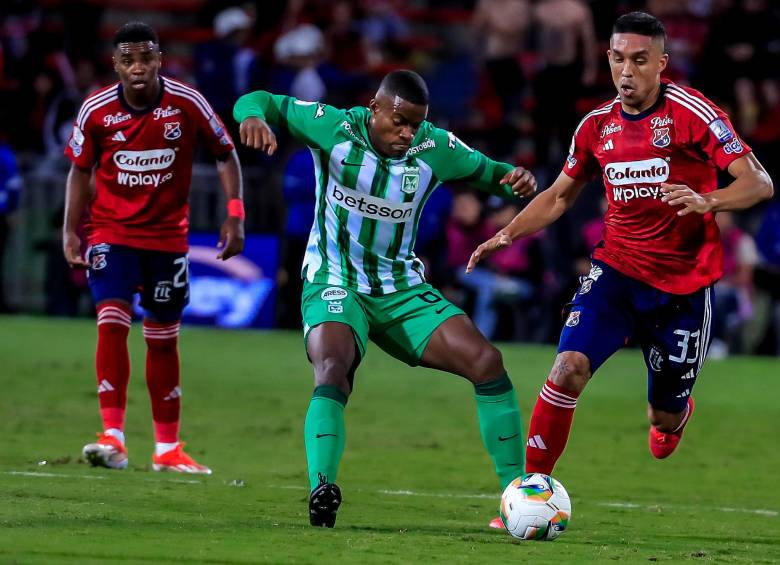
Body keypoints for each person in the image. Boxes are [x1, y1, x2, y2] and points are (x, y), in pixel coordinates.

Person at [467, 11, 773, 489]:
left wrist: (708, 199)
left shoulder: (694, 115)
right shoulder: (595, 127)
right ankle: (529, 490)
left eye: (639, 60)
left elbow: (759, 182)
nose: (626, 72)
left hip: (683, 287)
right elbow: (559, 195)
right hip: (617, 272)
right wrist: (507, 233)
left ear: (661, 64)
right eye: (617, 59)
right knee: (567, 368)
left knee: (664, 416)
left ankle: (673, 414)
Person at [234, 69, 537, 528]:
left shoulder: (435, 147)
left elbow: (489, 173)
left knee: (487, 362)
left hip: (401, 289)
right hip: (334, 281)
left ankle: (517, 497)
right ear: (375, 108)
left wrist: (513, 179)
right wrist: (253, 117)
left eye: (416, 124)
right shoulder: (332, 126)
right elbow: (258, 99)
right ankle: (322, 487)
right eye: (399, 121)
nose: (407, 133)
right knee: (334, 368)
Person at [63, 22, 245, 474]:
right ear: (116, 65)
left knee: (163, 339)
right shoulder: (96, 110)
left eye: (146, 58)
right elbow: (80, 170)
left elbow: (225, 153)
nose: (138, 68)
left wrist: (235, 213)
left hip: (167, 239)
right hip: (111, 233)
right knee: (111, 322)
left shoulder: (187, 102)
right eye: (128, 60)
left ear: (160, 59)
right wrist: (71, 230)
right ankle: (114, 438)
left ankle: (167, 450)